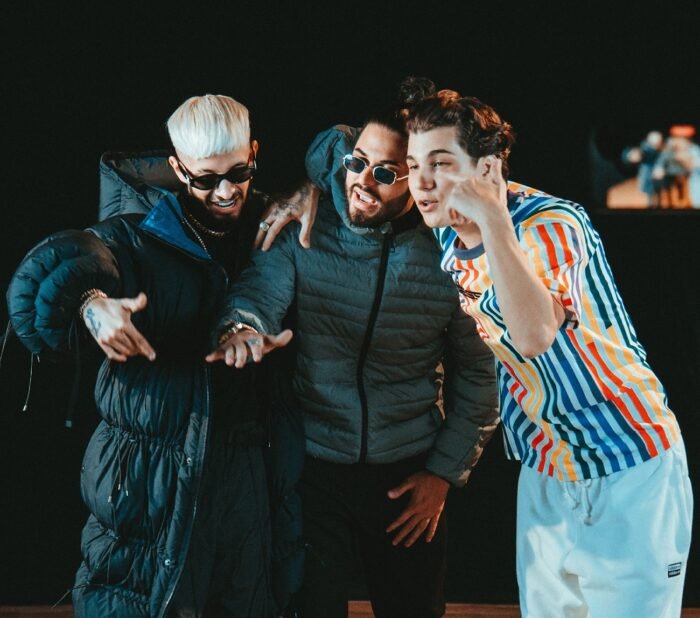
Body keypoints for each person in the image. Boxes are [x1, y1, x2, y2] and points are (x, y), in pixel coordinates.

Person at [399, 78, 693, 617]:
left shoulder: (553, 224)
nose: (422, 182)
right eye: (414, 164)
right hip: (547, 466)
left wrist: (493, 219)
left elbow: (534, 336)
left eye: (440, 163)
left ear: (487, 168)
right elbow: (355, 164)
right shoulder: (443, 220)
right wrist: (302, 197)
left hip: (628, 464)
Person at [5, 94, 305, 617]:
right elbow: (62, 265)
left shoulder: (273, 223)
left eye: (239, 172)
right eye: (205, 179)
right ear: (177, 168)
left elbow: (360, 157)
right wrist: (91, 304)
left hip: (247, 468)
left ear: (254, 153)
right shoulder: (136, 230)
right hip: (149, 471)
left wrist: (310, 190)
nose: (226, 191)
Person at [207, 106, 500, 618]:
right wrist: (241, 329)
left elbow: (483, 373)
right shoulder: (307, 223)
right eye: (357, 162)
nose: (362, 181)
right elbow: (256, 296)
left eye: (385, 173)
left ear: (418, 179)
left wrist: (443, 474)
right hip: (313, 464)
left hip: (408, 468)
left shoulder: (450, 249)